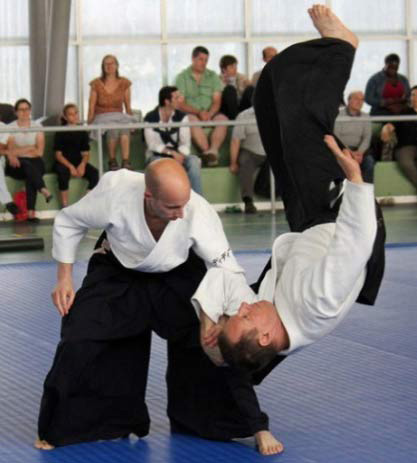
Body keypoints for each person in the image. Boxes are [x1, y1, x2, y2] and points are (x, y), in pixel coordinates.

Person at [35, 158, 281, 455]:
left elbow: (225, 267)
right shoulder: (116, 191)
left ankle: (228, 422)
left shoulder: (197, 210)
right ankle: (73, 426)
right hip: (118, 271)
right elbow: (68, 220)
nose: (180, 215)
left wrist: (211, 317)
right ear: (148, 197)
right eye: (172, 208)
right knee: (80, 337)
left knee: (215, 340)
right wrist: (63, 278)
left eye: (184, 205)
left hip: (178, 274)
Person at [192, 5, 385, 375]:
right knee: (306, 128)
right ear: (264, 337)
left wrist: (208, 320)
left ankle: (282, 76)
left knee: (268, 101)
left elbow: (225, 275)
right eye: (242, 317)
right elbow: (356, 243)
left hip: (309, 224)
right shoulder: (316, 304)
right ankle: (342, 48)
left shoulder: (265, 321)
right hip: (341, 216)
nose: (241, 309)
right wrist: (356, 183)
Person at [144, 86, 203, 195]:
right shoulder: (150, 118)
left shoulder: (182, 117)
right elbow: (152, 144)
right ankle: (162, 201)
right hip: (157, 156)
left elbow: (185, 143)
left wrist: (179, 155)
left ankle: (198, 200)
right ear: (167, 101)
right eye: (176, 98)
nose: (180, 100)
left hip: (179, 155)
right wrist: (171, 154)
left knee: (193, 161)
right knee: (155, 163)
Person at [175, 46, 228, 167]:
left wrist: (209, 114)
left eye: (206, 60)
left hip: (210, 113)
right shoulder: (182, 77)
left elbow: (216, 101)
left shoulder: (213, 76)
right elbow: (180, 103)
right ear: (193, 59)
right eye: (201, 59)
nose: (203, 63)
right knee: (190, 120)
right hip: (193, 113)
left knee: (223, 120)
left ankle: (212, 151)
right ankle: (206, 153)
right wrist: (199, 112)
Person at [5, 99, 52, 222]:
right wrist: (30, 148)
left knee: (31, 170)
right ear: (16, 112)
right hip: (15, 164)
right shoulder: (10, 128)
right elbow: (10, 152)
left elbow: (39, 152)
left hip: (35, 162)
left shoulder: (37, 127)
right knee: (27, 165)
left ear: (30, 110)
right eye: (21, 109)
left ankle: (31, 213)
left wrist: (19, 150)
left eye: (27, 109)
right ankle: (42, 190)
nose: (24, 112)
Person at [88, 54, 136, 171]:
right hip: (102, 117)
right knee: (113, 129)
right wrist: (89, 124)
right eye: (106, 64)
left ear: (117, 66)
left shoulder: (124, 83)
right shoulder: (96, 83)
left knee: (124, 127)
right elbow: (91, 106)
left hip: (118, 116)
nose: (109, 66)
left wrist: (132, 123)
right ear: (103, 67)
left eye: (112, 63)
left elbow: (128, 106)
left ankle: (126, 161)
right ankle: (112, 161)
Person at [53, 103, 99, 207]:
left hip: (78, 161)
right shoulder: (60, 132)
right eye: (71, 114)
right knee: (63, 173)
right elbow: (58, 155)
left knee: (95, 174)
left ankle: (84, 202)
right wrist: (70, 166)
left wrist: (82, 165)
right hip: (63, 162)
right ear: (65, 117)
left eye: (76, 113)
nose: (74, 116)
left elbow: (86, 153)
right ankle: (65, 205)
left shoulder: (82, 131)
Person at [380, 85, 417, 191]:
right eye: (413, 95)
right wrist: (385, 129)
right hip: (405, 147)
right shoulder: (404, 112)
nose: (414, 98)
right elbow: (391, 125)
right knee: (406, 162)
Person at [229, 106, 266, 213]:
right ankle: (248, 201)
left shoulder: (276, 111)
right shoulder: (244, 115)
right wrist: (233, 163)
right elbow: (235, 140)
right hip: (250, 152)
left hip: (270, 153)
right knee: (245, 162)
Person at [334, 91, 374, 183]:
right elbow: (337, 136)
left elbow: (367, 137)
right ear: (349, 100)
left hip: (360, 151)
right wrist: (350, 153)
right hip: (342, 150)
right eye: (356, 99)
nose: (359, 102)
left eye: (362, 100)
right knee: (338, 163)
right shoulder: (338, 114)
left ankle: (365, 194)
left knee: (369, 163)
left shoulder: (366, 116)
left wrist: (360, 152)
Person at [219, 55, 253, 119]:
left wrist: (247, 85)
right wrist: (224, 84)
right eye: (232, 67)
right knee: (230, 89)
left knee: (250, 89)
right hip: (227, 109)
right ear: (224, 69)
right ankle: (236, 119)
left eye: (236, 66)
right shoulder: (218, 79)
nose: (235, 69)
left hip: (240, 106)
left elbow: (245, 94)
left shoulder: (241, 77)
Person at [0, 123, 20, 217]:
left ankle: (8, 202)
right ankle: (8, 201)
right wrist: (7, 152)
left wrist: (7, 152)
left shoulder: (4, 128)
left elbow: (1, 148)